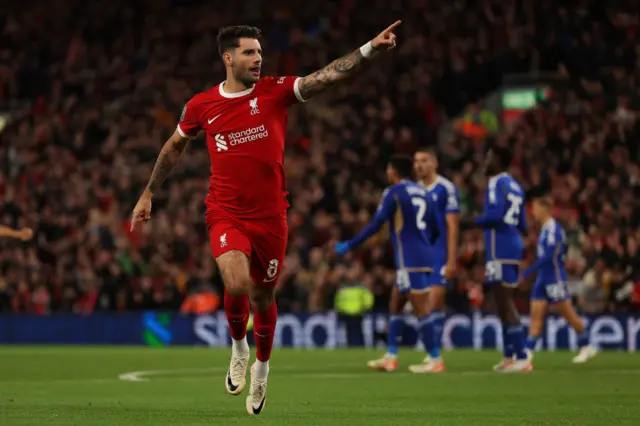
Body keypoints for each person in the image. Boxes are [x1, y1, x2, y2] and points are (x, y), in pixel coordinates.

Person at [130, 22, 402, 415]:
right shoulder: (202, 105)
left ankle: (262, 368)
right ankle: (238, 348)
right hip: (225, 211)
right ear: (228, 58)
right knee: (237, 282)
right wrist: (148, 191)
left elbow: (323, 78)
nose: (258, 59)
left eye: (259, 53)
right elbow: (174, 148)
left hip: (272, 217)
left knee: (263, 295)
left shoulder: (273, 92)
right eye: (249, 53)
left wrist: (368, 49)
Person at [333, 154, 441, 372]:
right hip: (421, 255)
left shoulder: (394, 192)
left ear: (393, 172)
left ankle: (435, 358)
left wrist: (351, 245)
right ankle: (391, 356)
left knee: (421, 308)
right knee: (397, 304)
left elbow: (376, 224)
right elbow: (437, 228)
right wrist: (423, 245)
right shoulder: (424, 193)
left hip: (410, 258)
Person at [465, 147, 530, 372]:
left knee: (505, 302)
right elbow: (523, 223)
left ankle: (521, 356)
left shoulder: (495, 183)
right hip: (511, 245)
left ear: (498, 161)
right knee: (502, 303)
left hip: (500, 248)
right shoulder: (515, 186)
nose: (486, 161)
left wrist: (472, 220)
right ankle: (509, 355)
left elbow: (495, 216)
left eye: (489, 157)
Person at [522, 196, 597, 364]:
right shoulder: (545, 229)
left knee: (568, 313)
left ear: (545, 209)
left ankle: (586, 345)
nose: (533, 212)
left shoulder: (553, 229)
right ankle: (527, 353)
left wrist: (529, 271)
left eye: (535, 208)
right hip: (543, 277)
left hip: (553, 277)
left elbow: (550, 254)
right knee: (536, 314)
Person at [408, 147, 460, 373]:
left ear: (434, 163)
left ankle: (434, 356)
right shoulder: (413, 190)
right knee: (424, 305)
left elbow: (452, 225)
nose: (419, 165)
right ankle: (433, 355)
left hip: (438, 253)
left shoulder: (446, 188)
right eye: (416, 161)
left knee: (432, 302)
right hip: (419, 255)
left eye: (424, 160)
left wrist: (451, 259)